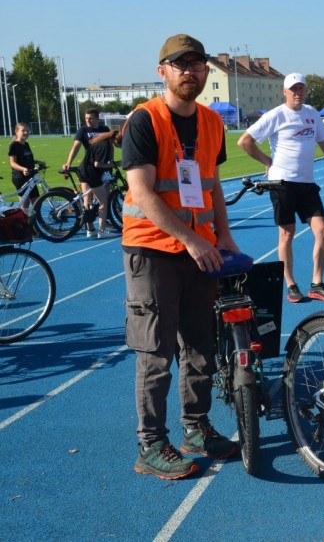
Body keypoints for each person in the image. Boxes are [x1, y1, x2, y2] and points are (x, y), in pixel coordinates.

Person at [122, 33, 239, 480]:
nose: (191, 71)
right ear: (163, 72)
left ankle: (196, 427)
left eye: (198, 64)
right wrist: (192, 239)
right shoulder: (144, 120)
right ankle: (150, 443)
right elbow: (143, 193)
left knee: (200, 346)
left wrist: (222, 235)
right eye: (181, 64)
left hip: (201, 250)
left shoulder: (211, 122)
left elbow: (211, 185)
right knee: (155, 352)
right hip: (153, 250)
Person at [237, 73, 324, 304]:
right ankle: (291, 284)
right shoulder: (276, 115)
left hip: (307, 183)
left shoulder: (312, 114)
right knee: (287, 234)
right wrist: (266, 162)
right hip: (282, 183)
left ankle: (317, 283)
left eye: (301, 89)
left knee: (322, 231)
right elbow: (245, 141)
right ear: (285, 92)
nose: (298, 93)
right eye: (293, 89)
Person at [64, 108, 111, 237]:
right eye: (86, 119)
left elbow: (111, 145)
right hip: (89, 166)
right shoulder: (83, 130)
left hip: (100, 166)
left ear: (97, 118)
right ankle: (91, 228)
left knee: (103, 193)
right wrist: (69, 162)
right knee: (88, 198)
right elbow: (76, 147)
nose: (88, 121)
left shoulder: (104, 129)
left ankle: (100, 223)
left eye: (90, 118)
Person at [80, 129, 122, 237]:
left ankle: (90, 230)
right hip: (91, 173)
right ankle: (102, 231)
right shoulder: (105, 145)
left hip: (83, 170)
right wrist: (116, 164)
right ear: (116, 140)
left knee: (88, 199)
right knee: (103, 201)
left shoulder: (103, 142)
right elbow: (97, 164)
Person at [7, 123, 41, 209]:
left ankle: (34, 222)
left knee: (36, 202)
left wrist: (38, 162)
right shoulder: (14, 145)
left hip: (30, 176)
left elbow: (26, 159)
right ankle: (21, 221)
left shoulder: (26, 144)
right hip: (20, 177)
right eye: (23, 130)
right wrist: (23, 169)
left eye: (27, 131)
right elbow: (12, 163)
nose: (26, 132)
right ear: (16, 132)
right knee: (25, 204)